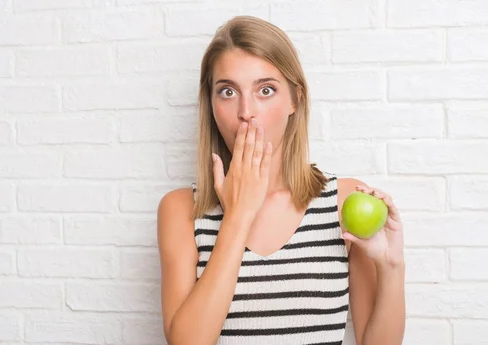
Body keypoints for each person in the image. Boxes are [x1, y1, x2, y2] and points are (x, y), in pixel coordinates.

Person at [157, 15, 405, 345]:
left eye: (266, 90)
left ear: (294, 99)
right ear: (211, 105)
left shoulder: (341, 201)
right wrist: (238, 215)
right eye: (228, 91)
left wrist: (391, 268)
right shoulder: (181, 210)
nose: (246, 111)